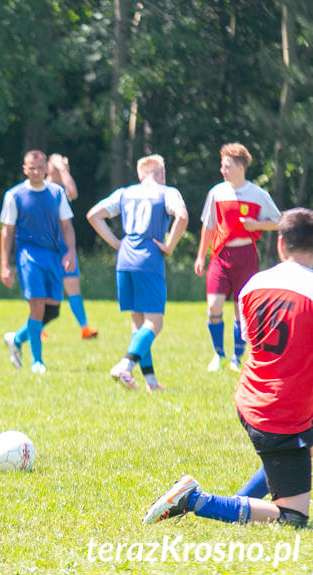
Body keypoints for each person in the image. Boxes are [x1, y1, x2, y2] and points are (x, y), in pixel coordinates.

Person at [144, 208, 313, 528]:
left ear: (280, 244)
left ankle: (240, 499)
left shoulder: (254, 285)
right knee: (294, 519)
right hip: (282, 415)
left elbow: (254, 339)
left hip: (251, 398)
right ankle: (194, 500)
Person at [86, 154, 188, 391]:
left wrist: (116, 243)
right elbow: (182, 217)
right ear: (162, 174)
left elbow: (93, 215)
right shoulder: (167, 192)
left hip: (125, 259)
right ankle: (125, 365)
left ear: (140, 175)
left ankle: (150, 382)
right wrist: (170, 246)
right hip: (148, 259)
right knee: (155, 322)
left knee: (138, 323)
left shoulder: (125, 192)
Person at [194, 143, 280, 372]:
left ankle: (236, 357)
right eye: (222, 166)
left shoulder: (258, 194)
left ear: (241, 166)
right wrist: (201, 256)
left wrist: (257, 224)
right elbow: (209, 226)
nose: (223, 170)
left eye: (227, 166)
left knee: (242, 308)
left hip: (246, 255)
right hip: (221, 256)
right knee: (213, 305)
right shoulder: (216, 192)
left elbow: (279, 220)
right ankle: (219, 354)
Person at [0, 150, 76, 374]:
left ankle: (16, 338)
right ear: (25, 169)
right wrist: (5, 264)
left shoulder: (56, 194)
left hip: (52, 255)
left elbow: (67, 225)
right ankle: (37, 361)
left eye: (39, 168)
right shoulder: (14, 195)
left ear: (47, 170)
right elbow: (7, 231)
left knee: (52, 310)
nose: (35, 172)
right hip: (28, 255)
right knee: (37, 305)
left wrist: (70, 252)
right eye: (31, 168)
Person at [47, 154, 98, 340]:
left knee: (73, 286)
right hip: (46, 247)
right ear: (51, 169)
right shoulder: (44, 188)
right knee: (44, 292)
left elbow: (73, 192)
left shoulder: (62, 189)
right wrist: (61, 168)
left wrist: (64, 171)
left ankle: (84, 328)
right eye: (61, 169)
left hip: (65, 246)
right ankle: (38, 328)